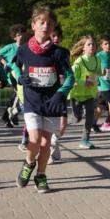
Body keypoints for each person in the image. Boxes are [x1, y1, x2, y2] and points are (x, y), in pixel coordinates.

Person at [11, 6, 74, 194]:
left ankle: (41, 175)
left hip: (52, 102)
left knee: (46, 143)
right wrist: (19, 78)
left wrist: (60, 94)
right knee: (35, 139)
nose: (45, 26)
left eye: (50, 23)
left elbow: (70, 77)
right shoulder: (23, 50)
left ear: (53, 28)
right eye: (42, 22)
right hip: (32, 101)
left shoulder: (59, 53)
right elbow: (13, 67)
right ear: (33, 25)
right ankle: (29, 163)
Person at [70, 35, 102, 150]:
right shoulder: (79, 61)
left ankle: (84, 140)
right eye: (89, 44)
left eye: (93, 44)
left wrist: (103, 73)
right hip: (78, 94)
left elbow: (98, 72)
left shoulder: (97, 59)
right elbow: (72, 79)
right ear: (83, 48)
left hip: (90, 94)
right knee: (77, 118)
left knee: (90, 117)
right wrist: (84, 82)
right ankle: (62, 124)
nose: (92, 46)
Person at [0, 24, 27, 128]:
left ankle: (9, 116)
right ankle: (12, 114)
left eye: (22, 35)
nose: (21, 37)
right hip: (13, 75)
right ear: (14, 36)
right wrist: (5, 62)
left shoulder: (27, 47)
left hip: (23, 74)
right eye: (18, 35)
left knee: (17, 96)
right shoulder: (10, 47)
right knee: (19, 95)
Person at [49, 23, 68, 163]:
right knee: (49, 124)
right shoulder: (43, 53)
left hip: (60, 92)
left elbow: (68, 70)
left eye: (58, 36)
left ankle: (55, 140)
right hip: (48, 93)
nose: (56, 38)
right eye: (53, 36)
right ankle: (50, 149)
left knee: (62, 126)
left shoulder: (64, 52)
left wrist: (67, 80)